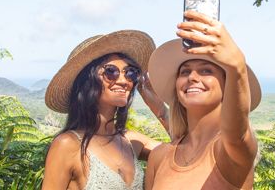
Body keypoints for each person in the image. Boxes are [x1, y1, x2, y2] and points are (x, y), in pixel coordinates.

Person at [144, 10, 262, 190]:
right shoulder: (159, 157)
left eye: (206, 70)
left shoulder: (230, 151)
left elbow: (237, 134)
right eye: (185, 71)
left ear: (227, 86)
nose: (192, 77)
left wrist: (236, 65)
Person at [42, 30, 169, 190]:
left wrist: (158, 106)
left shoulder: (130, 141)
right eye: (111, 71)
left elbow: (185, 150)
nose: (124, 81)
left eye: (130, 73)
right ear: (87, 81)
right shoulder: (68, 145)